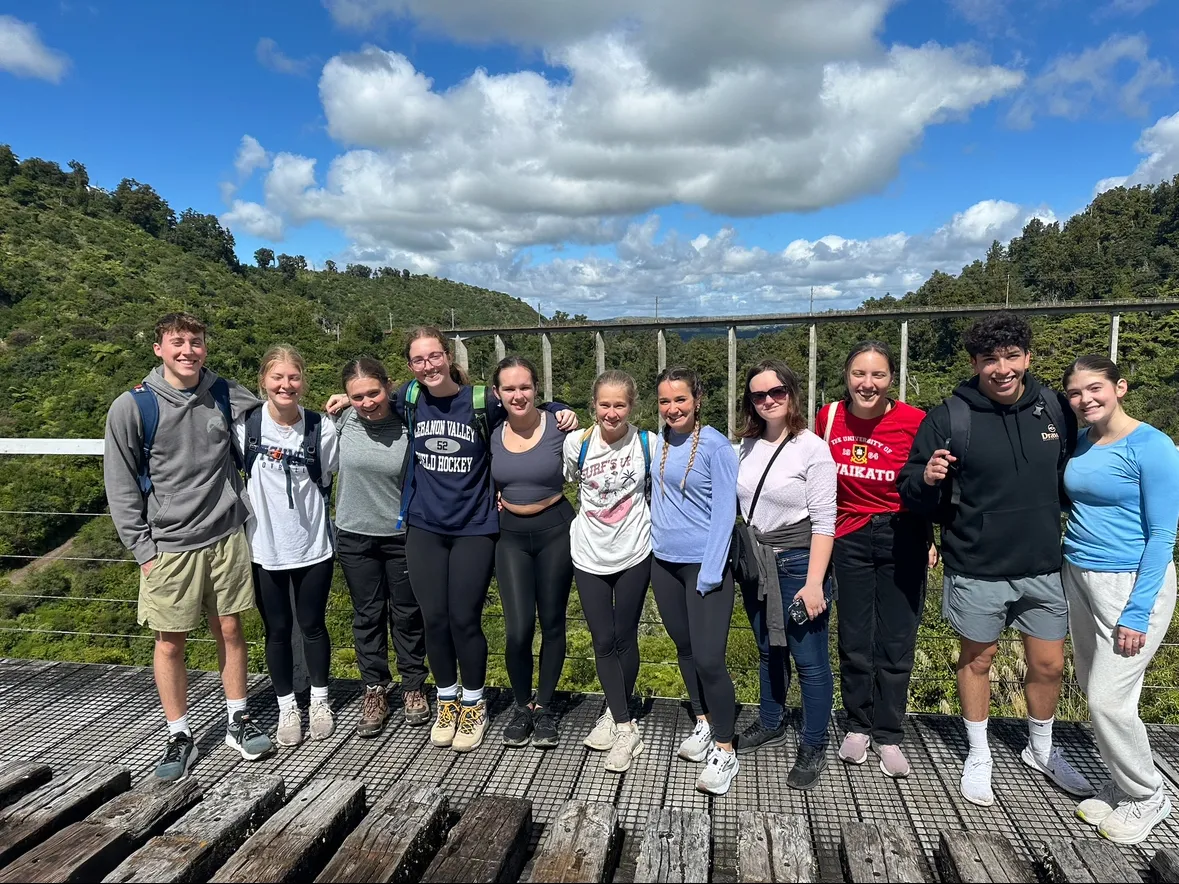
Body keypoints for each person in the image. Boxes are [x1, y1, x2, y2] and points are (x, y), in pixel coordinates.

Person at [326, 328, 576, 754]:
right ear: (409, 367)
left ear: (448, 356)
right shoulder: (409, 399)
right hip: (424, 526)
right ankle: (446, 698)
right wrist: (342, 400)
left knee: (464, 618)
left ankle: (473, 702)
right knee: (433, 618)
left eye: (435, 356)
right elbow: (370, 398)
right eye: (420, 360)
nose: (429, 366)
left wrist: (560, 407)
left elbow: (523, 404)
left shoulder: (481, 401)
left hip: (474, 527)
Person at [898, 311, 1094, 807]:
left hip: (1044, 564)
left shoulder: (1054, 408)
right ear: (974, 363)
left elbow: (1078, 470)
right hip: (977, 565)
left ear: (1027, 358)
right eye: (990, 359)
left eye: (1011, 357)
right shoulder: (949, 416)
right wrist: (928, 477)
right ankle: (979, 753)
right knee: (978, 659)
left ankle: (1042, 750)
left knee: (1048, 665)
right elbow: (909, 486)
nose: (1001, 368)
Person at [103, 312, 273, 781]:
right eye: (177, 342)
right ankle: (179, 733)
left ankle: (237, 718)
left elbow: (275, 410)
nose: (187, 351)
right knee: (170, 643)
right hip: (169, 545)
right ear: (158, 348)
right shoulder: (132, 407)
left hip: (225, 535)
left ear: (205, 347)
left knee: (232, 629)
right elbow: (119, 485)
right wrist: (143, 551)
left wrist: (330, 410)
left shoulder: (222, 391)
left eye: (195, 342)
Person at [1061, 356, 1179, 844]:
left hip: (1131, 585)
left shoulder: (1153, 446)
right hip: (1080, 576)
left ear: (1120, 387)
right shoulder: (1084, 441)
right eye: (1074, 392)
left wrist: (1136, 610)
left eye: (1095, 389)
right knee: (1095, 687)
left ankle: (1149, 794)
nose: (1085, 399)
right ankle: (1123, 784)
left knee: (1109, 699)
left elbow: (1163, 533)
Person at [817, 342, 933, 779]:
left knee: (897, 638)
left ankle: (889, 732)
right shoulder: (828, 418)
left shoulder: (914, 422)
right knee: (854, 635)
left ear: (891, 380)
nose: (868, 384)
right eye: (859, 374)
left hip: (900, 532)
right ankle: (857, 725)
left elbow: (925, 485)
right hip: (848, 535)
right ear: (846, 376)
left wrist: (928, 535)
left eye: (878, 375)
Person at [735, 359, 837, 791]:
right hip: (757, 565)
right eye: (759, 395)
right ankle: (773, 720)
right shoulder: (744, 445)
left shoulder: (811, 447)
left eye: (776, 392)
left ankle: (813, 743)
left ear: (791, 393)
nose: (768, 401)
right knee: (767, 650)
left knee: (810, 661)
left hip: (797, 565)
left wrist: (815, 583)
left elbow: (824, 521)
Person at [236, 345, 339, 748]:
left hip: (313, 544)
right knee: (276, 630)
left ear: (303, 382)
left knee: (313, 626)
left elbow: (328, 474)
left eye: (293, 378)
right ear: (263, 380)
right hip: (265, 547)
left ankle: (319, 701)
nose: (286, 385)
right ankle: (286, 708)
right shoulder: (247, 427)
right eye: (277, 377)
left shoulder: (320, 428)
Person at [648, 367, 740, 796]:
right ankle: (702, 721)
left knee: (709, 658)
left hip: (704, 566)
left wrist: (710, 571)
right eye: (665, 401)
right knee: (684, 648)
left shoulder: (716, 447)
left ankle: (725, 746)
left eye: (680, 400)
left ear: (697, 400)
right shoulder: (660, 440)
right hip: (663, 562)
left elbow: (725, 514)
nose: (672, 408)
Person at [564, 370, 657, 774]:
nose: (612, 412)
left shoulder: (646, 443)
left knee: (624, 636)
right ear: (594, 406)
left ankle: (617, 715)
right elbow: (563, 482)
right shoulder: (577, 443)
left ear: (632, 406)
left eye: (620, 405)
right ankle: (622, 721)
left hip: (635, 550)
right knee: (602, 639)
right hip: (588, 553)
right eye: (605, 404)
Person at [332, 356, 430, 738]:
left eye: (373, 393)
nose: (367, 402)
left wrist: (554, 409)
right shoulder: (342, 420)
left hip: (400, 533)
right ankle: (374, 690)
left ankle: (412, 687)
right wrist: (343, 403)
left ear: (389, 387)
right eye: (357, 397)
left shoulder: (410, 422)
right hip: (355, 534)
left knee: (407, 614)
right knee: (367, 614)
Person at [491, 356, 575, 749]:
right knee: (518, 627)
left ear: (537, 389)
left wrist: (566, 410)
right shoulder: (490, 430)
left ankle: (544, 707)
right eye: (509, 388)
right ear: (497, 394)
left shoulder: (560, 428)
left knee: (553, 621)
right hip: (509, 534)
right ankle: (521, 704)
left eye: (524, 387)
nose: (518, 394)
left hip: (555, 527)